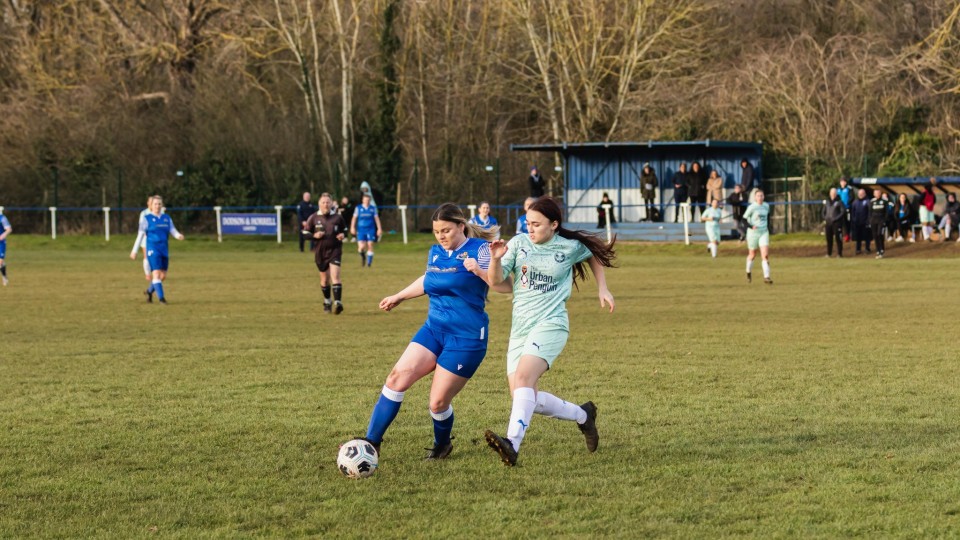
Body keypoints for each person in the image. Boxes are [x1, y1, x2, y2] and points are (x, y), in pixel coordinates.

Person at [362, 203, 504, 460]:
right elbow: (428, 280)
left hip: (466, 337)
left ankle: (442, 445)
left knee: (437, 403)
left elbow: (503, 285)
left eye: (446, 230)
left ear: (461, 227)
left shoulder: (481, 250)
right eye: (437, 231)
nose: (441, 236)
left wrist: (482, 270)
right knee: (396, 379)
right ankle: (371, 442)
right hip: (434, 329)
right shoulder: (436, 252)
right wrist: (399, 296)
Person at [483, 196, 615, 467]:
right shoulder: (518, 243)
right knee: (525, 396)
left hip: (551, 324)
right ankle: (583, 415)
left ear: (554, 225)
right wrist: (495, 259)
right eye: (528, 224)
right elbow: (496, 281)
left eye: (537, 225)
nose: (530, 229)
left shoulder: (568, 247)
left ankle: (511, 444)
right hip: (520, 329)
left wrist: (602, 287)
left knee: (523, 380)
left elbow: (593, 255)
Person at [129, 195, 184, 304]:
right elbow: (140, 235)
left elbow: (172, 230)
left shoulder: (166, 218)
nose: (157, 206)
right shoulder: (146, 219)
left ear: (162, 205)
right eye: (155, 204)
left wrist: (178, 236)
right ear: (151, 206)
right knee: (156, 274)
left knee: (162, 276)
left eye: (159, 204)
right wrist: (134, 251)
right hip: (152, 249)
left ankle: (149, 292)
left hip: (164, 249)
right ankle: (162, 299)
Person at [304, 193, 348, 314]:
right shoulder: (313, 217)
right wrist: (314, 235)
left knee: (335, 275)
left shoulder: (337, 217)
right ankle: (327, 300)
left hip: (335, 250)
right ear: (319, 204)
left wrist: (342, 235)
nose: (325, 204)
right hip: (320, 252)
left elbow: (345, 230)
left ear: (331, 203)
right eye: (323, 202)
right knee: (324, 280)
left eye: (328, 202)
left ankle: (338, 303)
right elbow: (304, 233)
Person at [743, 190, 772, 284]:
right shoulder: (752, 207)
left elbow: (768, 217)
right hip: (753, 233)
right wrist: (751, 226)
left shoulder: (766, 206)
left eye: (761, 195)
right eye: (758, 196)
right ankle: (748, 271)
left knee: (765, 255)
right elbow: (744, 220)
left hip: (763, 232)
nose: (760, 197)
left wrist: (768, 227)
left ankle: (766, 277)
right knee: (752, 254)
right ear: (755, 198)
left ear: (764, 197)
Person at [350, 193, 382, 267]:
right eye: (365, 200)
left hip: (370, 229)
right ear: (362, 200)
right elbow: (354, 218)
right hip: (361, 230)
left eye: (368, 200)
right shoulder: (358, 208)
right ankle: (363, 257)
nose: (367, 201)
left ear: (370, 201)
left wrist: (379, 229)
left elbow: (377, 219)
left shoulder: (372, 208)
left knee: (370, 244)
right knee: (361, 247)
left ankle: (369, 263)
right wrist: (352, 227)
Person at [823, 188, 845, 258]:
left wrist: (836, 218)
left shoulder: (840, 202)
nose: (833, 194)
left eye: (834, 193)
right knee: (829, 239)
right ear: (830, 193)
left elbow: (842, 212)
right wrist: (825, 218)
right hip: (828, 223)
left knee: (838, 239)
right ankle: (829, 253)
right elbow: (823, 211)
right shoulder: (827, 202)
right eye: (832, 193)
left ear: (836, 194)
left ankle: (839, 254)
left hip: (836, 223)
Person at [850, 188, 872, 254]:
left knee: (867, 236)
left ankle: (867, 249)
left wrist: (868, 220)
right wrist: (854, 219)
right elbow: (852, 212)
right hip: (857, 222)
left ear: (864, 194)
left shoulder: (868, 201)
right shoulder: (855, 202)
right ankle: (858, 249)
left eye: (862, 193)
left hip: (865, 222)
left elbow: (870, 211)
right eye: (859, 193)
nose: (861, 195)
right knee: (858, 236)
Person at [869, 189, 890, 259]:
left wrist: (885, 220)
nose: (877, 194)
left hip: (881, 220)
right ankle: (878, 250)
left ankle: (882, 249)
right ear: (874, 194)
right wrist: (870, 220)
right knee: (875, 236)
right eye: (876, 193)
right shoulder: (872, 201)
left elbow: (887, 212)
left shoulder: (884, 201)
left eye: (878, 193)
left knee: (879, 234)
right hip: (873, 221)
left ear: (880, 194)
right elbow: (870, 212)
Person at [0, 208, 11, 286]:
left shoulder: (2, 218)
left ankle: (4, 276)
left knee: (0, 262)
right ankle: (4, 273)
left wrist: (2, 236)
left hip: (1, 243)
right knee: (1, 263)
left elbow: (9, 229)